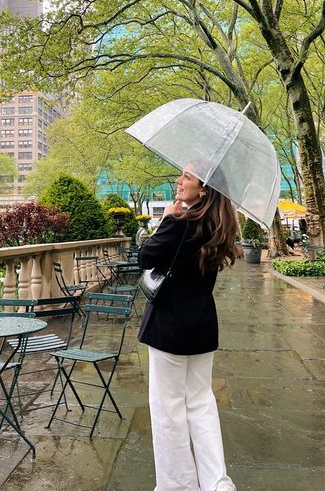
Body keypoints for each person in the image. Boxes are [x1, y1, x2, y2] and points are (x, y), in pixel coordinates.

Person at [138, 168, 238, 491]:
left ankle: (177, 485)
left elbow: (145, 257)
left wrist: (166, 219)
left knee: (168, 409)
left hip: (169, 328)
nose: (179, 182)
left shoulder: (179, 224)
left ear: (204, 190)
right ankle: (217, 483)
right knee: (201, 405)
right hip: (202, 327)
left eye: (187, 177)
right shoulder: (218, 226)